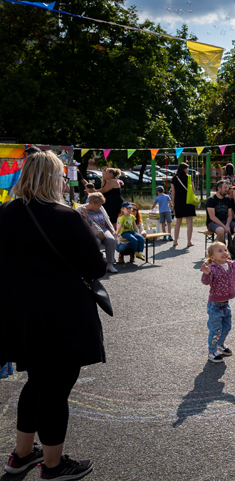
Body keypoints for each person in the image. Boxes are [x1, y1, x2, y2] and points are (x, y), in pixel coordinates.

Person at [1, 149, 106, 479]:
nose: (65, 181)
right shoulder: (66, 216)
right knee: (55, 390)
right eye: (62, 175)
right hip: (63, 316)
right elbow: (96, 266)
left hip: (21, 315)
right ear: (52, 178)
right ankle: (52, 465)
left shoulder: (4, 213)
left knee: (36, 381)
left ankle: (21, 455)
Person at [77, 192, 119, 274]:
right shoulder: (80, 209)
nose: (100, 206)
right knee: (96, 242)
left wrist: (113, 233)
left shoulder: (101, 208)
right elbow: (80, 226)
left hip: (102, 229)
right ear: (91, 203)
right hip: (89, 231)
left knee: (111, 240)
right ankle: (95, 264)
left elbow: (107, 221)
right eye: (99, 205)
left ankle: (110, 264)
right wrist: (85, 217)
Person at [206, 180, 235, 259]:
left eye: (227, 188)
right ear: (219, 188)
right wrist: (224, 226)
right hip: (213, 222)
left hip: (226, 222)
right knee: (220, 230)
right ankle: (221, 253)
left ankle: (231, 250)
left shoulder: (227, 200)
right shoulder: (211, 200)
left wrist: (227, 224)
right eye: (225, 188)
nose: (227, 190)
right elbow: (212, 217)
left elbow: (230, 215)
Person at [171, 163, 196, 248]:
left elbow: (173, 193)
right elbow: (193, 190)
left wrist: (172, 203)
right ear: (184, 169)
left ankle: (175, 241)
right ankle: (189, 241)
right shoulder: (189, 177)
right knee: (189, 222)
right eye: (187, 168)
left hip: (178, 202)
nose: (188, 170)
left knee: (178, 222)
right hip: (188, 201)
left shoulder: (174, 179)